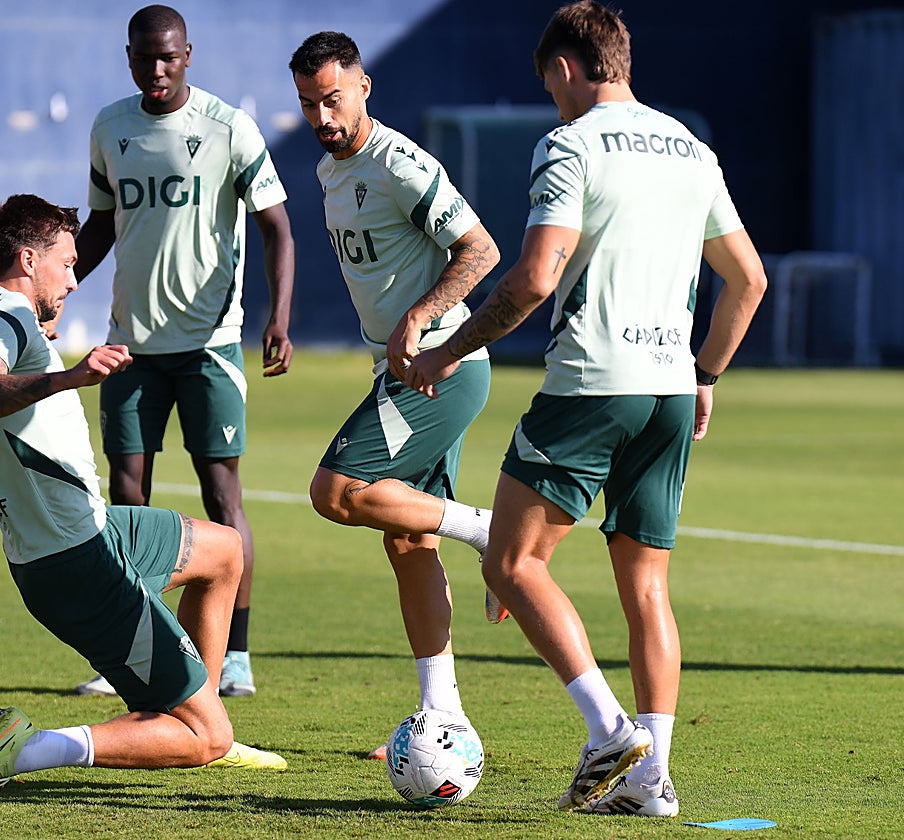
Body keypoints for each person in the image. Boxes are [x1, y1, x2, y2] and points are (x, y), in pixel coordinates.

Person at [406, 0, 767, 817]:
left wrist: (443, 350)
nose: (551, 101)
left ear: (565, 68)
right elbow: (748, 282)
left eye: (550, 85)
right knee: (646, 586)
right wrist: (705, 373)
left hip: (592, 384)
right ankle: (652, 781)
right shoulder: (691, 147)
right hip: (672, 388)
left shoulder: (568, 145)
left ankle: (610, 732)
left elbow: (534, 279)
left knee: (508, 561)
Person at [0, 194, 286, 800]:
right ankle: (37, 747)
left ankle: (194, 716)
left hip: (95, 530)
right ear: (29, 260)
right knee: (205, 737)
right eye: (68, 263)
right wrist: (70, 375)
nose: (75, 281)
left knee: (224, 551)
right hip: (76, 562)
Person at [68, 4, 295, 699]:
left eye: (169, 56)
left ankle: (234, 657)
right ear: (128, 56)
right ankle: (136, 651)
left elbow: (278, 229)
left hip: (210, 346)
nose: (157, 69)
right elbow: (102, 226)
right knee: (126, 499)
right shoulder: (110, 128)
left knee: (221, 496)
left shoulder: (229, 128)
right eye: (144, 57)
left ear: (188, 54)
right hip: (129, 346)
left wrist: (278, 318)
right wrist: (52, 290)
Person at [289, 31, 501, 759]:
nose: (322, 114)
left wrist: (419, 318)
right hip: (402, 370)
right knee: (408, 539)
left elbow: (482, 250)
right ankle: (443, 718)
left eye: (332, 98)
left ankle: (484, 529)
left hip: (441, 365)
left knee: (335, 490)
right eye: (309, 103)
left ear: (364, 87)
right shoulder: (328, 170)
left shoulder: (399, 161)